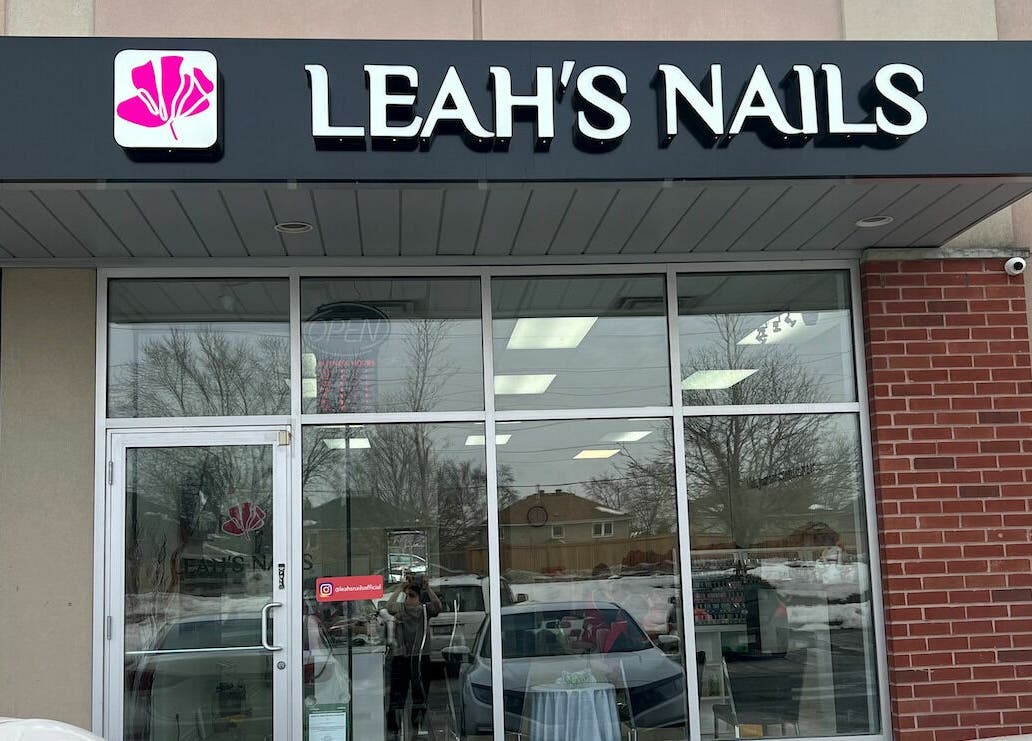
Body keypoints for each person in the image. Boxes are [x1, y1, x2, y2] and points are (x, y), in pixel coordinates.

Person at [385, 573, 442, 738]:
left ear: (419, 598)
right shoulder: (401, 610)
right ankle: (394, 726)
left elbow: (438, 606)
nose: (409, 599)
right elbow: (389, 606)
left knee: (420, 692)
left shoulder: (424, 611)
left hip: (420, 656)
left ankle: (416, 725)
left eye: (412, 596)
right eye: (407, 596)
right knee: (398, 692)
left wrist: (428, 588)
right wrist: (400, 589)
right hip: (402, 657)